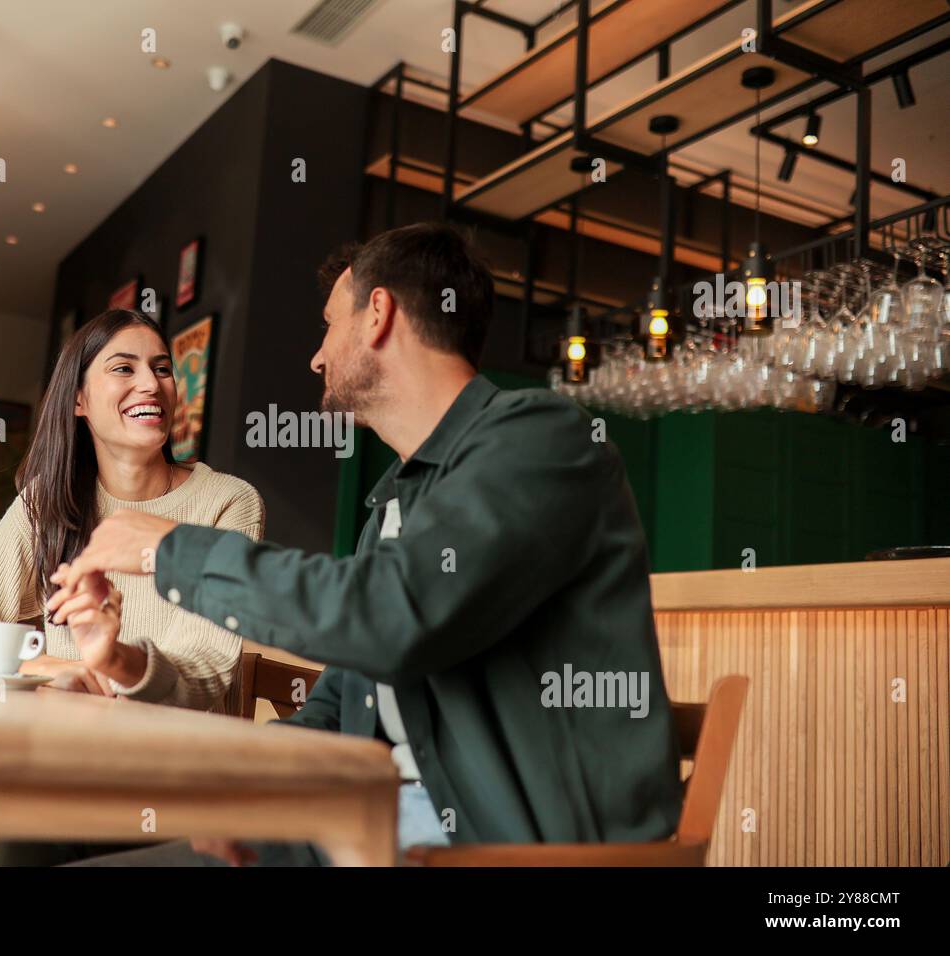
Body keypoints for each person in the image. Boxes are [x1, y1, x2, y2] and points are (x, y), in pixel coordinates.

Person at [50, 223, 683, 864]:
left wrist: (168, 549)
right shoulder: (398, 502)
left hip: (503, 847)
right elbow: (341, 705)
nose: (317, 357)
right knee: (46, 839)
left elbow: (390, 612)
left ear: (377, 314)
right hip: (376, 824)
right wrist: (237, 779)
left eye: (329, 325)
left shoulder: (541, 439)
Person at [0, 309, 263, 710]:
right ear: (78, 400)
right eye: (124, 368)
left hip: (179, 755)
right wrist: (49, 667)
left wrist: (114, 660)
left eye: (162, 369)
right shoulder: (47, 500)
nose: (150, 384)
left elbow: (203, 673)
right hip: (72, 745)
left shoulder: (227, 502)